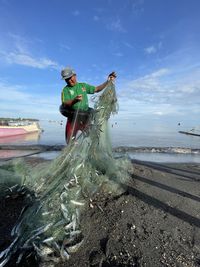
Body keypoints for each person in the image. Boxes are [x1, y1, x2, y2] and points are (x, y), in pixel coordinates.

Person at [60, 67, 116, 143]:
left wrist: (107, 81)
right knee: (69, 141)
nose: (69, 80)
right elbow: (65, 103)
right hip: (73, 119)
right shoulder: (65, 90)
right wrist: (74, 100)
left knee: (92, 139)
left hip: (85, 118)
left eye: (70, 77)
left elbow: (97, 89)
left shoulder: (83, 86)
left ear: (75, 75)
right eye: (67, 79)